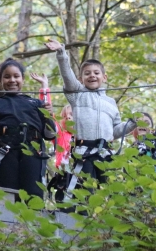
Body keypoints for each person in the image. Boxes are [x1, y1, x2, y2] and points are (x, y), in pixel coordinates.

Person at [44, 39, 135, 191]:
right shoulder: (77, 95)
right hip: (84, 153)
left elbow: (115, 131)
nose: (92, 76)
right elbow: (67, 76)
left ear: (104, 77)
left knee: (109, 192)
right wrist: (61, 53)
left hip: (106, 154)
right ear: (81, 79)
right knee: (86, 191)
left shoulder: (111, 102)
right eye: (87, 74)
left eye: (96, 73)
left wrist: (132, 123)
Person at [0, 59, 56, 199]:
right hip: (5, 151)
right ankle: (10, 221)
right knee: (8, 194)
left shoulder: (35, 103)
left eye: (16, 76)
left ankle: (33, 221)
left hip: (33, 152)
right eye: (7, 76)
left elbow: (50, 134)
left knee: (34, 194)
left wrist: (48, 116)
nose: (12, 80)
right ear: (1, 80)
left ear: (23, 78)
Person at [55, 105, 74, 169]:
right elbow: (50, 116)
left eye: (71, 114)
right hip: (64, 173)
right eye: (64, 116)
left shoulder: (85, 138)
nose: (68, 117)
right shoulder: (61, 135)